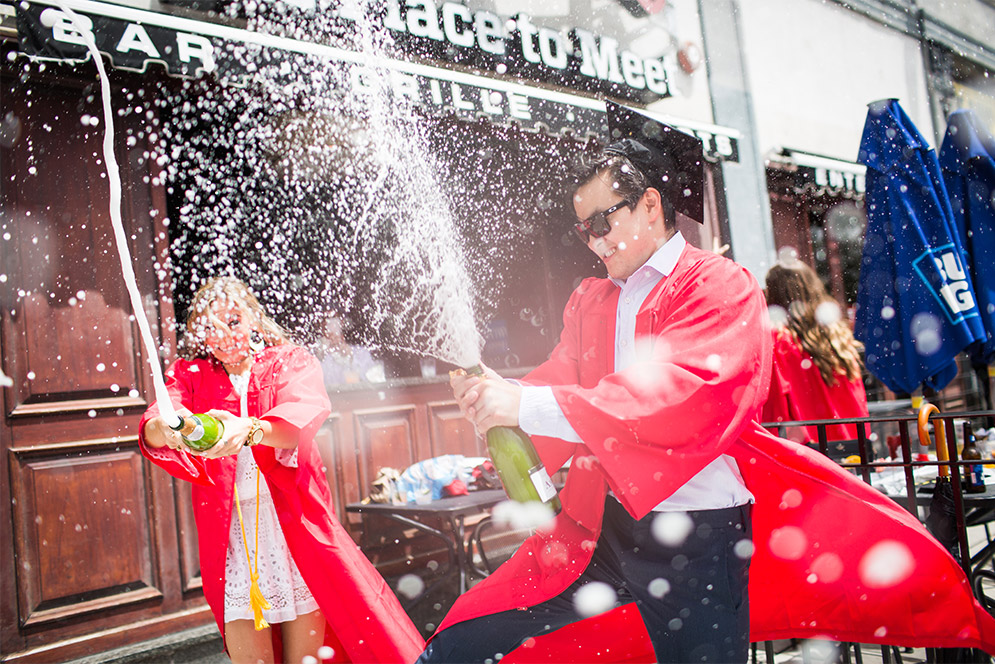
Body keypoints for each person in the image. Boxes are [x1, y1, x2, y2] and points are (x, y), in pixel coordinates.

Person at [418, 102, 995, 663]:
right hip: (601, 525)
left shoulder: (719, 285)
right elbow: (557, 382)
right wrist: (500, 403)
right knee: (464, 640)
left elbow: (683, 392)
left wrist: (526, 404)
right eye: (581, 229)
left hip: (697, 535)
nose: (592, 241)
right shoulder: (590, 299)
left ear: (649, 206)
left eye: (601, 221)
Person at [139, 277, 423, 664]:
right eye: (209, 327)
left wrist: (250, 429)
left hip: (292, 528)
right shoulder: (191, 374)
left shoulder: (288, 361)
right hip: (233, 541)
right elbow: (157, 422)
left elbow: (299, 419)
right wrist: (168, 429)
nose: (223, 337)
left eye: (234, 322)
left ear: (255, 319)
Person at [761, 259, 869, 444]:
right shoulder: (836, 336)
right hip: (854, 449)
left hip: (810, 454)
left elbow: (777, 407)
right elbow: (856, 401)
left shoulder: (778, 341)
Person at [318, 310, 382, 386]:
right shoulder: (320, 359)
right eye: (329, 334)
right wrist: (320, 355)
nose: (334, 338)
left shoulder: (361, 353)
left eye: (335, 324)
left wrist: (351, 359)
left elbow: (375, 381)